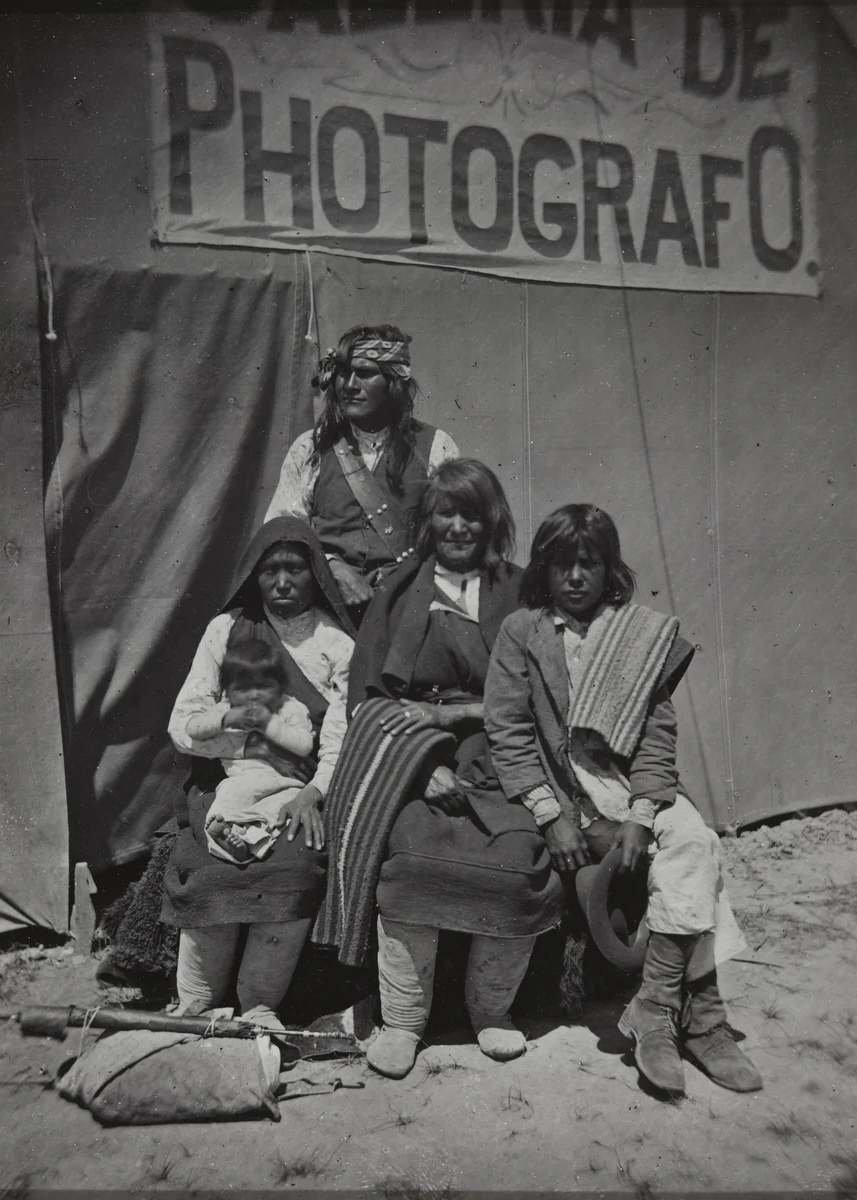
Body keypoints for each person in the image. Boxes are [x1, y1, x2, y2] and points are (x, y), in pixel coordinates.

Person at [484, 503, 763, 1097]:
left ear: (609, 569)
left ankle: (657, 1010)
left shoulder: (638, 632)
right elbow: (507, 731)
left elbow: (658, 736)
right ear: (544, 569)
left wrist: (641, 815)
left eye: (589, 563)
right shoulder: (523, 631)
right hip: (569, 790)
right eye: (562, 564)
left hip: (635, 787)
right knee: (691, 864)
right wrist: (552, 817)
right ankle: (702, 1018)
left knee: (695, 842)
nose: (575, 576)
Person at [315, 459, 562, 1078]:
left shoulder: (521, 590)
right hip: (419, 762)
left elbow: (544, 690)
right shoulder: (399, 591)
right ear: (428, 520)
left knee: (520, 860)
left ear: (491, 521)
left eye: (471, 514)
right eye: (446, 513)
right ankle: (404, 1022)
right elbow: (367, 699)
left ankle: (491, 1011)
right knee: (411, 860)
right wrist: (418, 768)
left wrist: (463, 714)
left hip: (505, 758)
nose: (458, 526)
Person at [162, 516, 355, 1029]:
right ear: (254, 575)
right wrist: (246, 740)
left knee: (293, 864)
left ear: (316, 574)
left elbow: (338, 738)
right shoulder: (225, 629)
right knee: (209, 864)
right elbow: (183, 723)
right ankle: (196, 1000)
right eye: (270, 571)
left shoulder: (336, 643)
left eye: (296, 569)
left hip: (301, 784)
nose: (283, 582)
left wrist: (315, 792)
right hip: (227, 777)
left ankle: (260, 1004)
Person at [264, 324, 459, 615]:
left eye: (365, 373)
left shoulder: (437, 447)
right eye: (343, 372)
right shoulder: (310, 447)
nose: (350, 385)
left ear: (393, 381)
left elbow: (455, 537)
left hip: (408, 609)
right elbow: (281, 532)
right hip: (328, 609)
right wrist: (331, 566)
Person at [189, 638, 316, 864]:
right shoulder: (226, 710)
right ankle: (229, 839)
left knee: (280, 811)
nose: (254, 696)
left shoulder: (291, 708)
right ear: (227, 691)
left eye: (264, 686)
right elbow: (193, 729)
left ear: (281, 685)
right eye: (242, 688)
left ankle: (247, 841)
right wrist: (226, 718)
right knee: (225, 801)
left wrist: (270, 723)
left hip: (284, 782)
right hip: (242, 780)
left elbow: (304, 745)